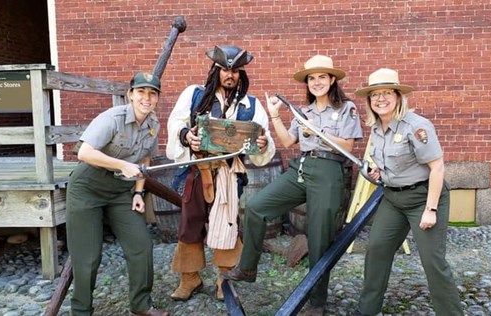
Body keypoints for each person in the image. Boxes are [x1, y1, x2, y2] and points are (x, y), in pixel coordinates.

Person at [223, 55, 363, 315]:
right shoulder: (304, 112)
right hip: (302, 168)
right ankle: (248, 267)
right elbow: (288, 142)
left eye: (322, 77)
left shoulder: (346, 108)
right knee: (256, 206)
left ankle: (317, 302)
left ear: (332, 80)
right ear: (307, 83)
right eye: (312, 78)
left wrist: (317, 132)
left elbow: (347, 147)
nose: (317, 82)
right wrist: (275, 116)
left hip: (329, 170)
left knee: (320, 239)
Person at [165, 44, 276, 301]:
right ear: (215, 71)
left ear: (241, 74)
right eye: (225, 70)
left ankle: (224, 279)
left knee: (227, 225)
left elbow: (263, 140)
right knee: (189, 224)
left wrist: (263, 143)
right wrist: (186, 137)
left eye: (235, 70)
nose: (230, 75)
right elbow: (176, 124)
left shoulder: (251, 105)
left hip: (228, 173)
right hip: (197, 170)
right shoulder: (194, 95)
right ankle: (189, 278)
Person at [353, 68, 463, 316]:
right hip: (393, 199)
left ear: (398, 96)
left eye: (387, 93)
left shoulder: (417, 126)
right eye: (375, 95)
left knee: (433, 263)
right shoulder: (377, 128)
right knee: (377, 251)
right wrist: (379, 173)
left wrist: (431, 210)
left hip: (423, 198)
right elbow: (392, 164)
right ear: (369, 101)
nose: (380, 99)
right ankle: (366, 310)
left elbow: (437, 167)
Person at [66, 72, 169, 316]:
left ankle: (141, 305)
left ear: (157, 98)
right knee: (88, 257)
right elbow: (85, 153)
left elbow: (145, 159)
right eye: (141, 92)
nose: (147, 98)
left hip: (121, 192)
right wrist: (122, 165)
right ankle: (81, 311)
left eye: (152, 93)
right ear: (131, 95)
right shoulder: (112, 118)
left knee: (141, 246)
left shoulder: (153, 125)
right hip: (88, 188)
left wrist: (138, 193)